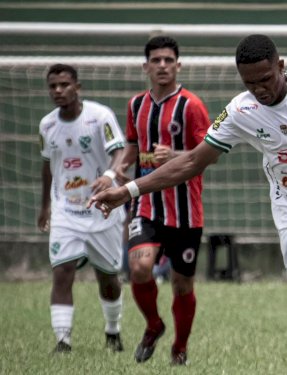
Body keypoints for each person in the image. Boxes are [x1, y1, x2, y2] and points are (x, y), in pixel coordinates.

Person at [90, 34, 287, 374]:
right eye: (250, 83)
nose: (260, 89)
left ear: (281, 66)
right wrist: (128, 190)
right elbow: (192, 161)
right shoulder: (240, 110)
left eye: (266, 79)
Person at [116, 35, 211, 365]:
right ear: (145, 67)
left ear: (178, 65)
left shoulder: (192, 106)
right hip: (146, 205)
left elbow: (209, 155)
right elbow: (131, 146)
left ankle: (180, 346)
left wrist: (175, 155)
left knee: (182, 283)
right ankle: (154, 325)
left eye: (168, 60)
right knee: (140, 268)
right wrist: (114, 172)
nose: (162, 66)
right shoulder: (135, 105)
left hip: (186, 212)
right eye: (155, 60)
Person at [37, 63, 126, 354]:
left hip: (103, 208)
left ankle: (113, 332)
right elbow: (48, 165)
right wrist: (46, 205)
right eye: (53, 86)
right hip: (66, 210)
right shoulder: (47, 125)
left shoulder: (100, 117)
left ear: (78, 87)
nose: (58, 90)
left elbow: (120, 151)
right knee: (62, 272)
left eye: (64, 84)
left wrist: (110, 177)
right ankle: (63, 341)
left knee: (108, 277)